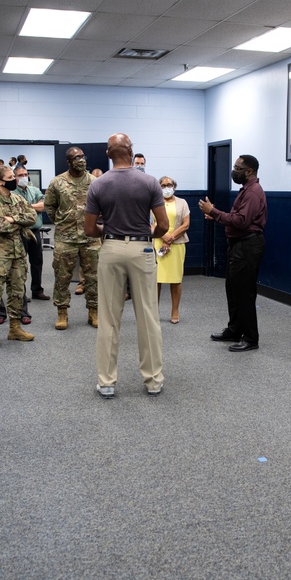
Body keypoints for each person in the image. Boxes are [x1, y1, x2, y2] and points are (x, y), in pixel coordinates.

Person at [84, 133, 168, 398]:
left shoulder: (97, 184)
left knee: (109, 317)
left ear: (108, 154)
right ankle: (153, 381)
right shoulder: (149, 182)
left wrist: (107, 232)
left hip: (110, 248)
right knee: (148, 316)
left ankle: (107, 383)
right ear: (131, 151)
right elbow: (164, 226)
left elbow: (89, 229)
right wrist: (145, 236)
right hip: (142, 249)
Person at [198, 154, 267, 352]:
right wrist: (216, 215)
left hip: (248, 246)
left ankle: (251, 338)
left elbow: (242, 222)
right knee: (233, 289)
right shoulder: (246, 190)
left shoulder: (254, 192)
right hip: (238, 245)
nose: (234, 171)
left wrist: (214, 212)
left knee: (244, 293)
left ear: (249, 171)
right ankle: (235, 330)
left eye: (238, 168)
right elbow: (237, 217)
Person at [44, 147, 100, 330]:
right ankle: (62, 312)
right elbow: (50, 207)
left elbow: (104, 206)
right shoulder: (57, 182)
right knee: (62, 276)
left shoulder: (95, 182)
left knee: (94, 277)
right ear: (68, 161)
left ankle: (94, 311)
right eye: (76, 158)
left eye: (82, 156)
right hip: (65, 238)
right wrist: (63, 222)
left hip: (90, 237)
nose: (81, 160)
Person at [0, 165, 36, 348]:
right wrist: (19, 221)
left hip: (17, 252)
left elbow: (33, 217)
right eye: (10, 176)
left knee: (17, 292)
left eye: (14, 175)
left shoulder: (17, 198)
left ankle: (15, 328)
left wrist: (13, 219)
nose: (14, 179)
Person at [152, 176, 190, 324]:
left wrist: (171, 237)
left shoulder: (182, 203)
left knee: (176, 280)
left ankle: (175, 310)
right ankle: (154, 311)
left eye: (169, 184)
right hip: (157, 244)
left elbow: (186, 224)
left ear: (174, 186)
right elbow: (150, 223)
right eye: (163, 185)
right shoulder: (154, 202)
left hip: (177, 244)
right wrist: (164, 236)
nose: (166, 187)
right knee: (156, 280)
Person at [15, 163, 49, 301]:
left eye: (25, 174)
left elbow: (44, 206)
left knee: (37, 262)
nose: (23, 177)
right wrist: (35, 207)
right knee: (19, 264)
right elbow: (16, 211)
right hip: (19, 233)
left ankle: (37, 290)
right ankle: (20, 293)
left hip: (35, 231)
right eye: (20, 175)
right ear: (15, 177)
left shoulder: (33, 190)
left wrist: (27, 206)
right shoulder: (12, 193)